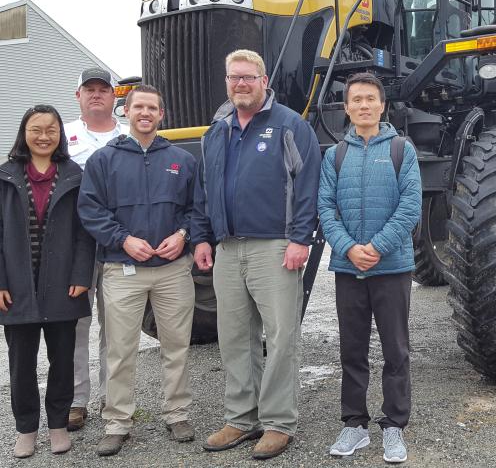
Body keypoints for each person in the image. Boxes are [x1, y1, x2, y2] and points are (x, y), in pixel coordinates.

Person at [192, 49, 320, 460]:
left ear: (264, 80)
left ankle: (279, 422)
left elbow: (307, 186)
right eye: (234, 77)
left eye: (248, 77)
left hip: (275, 247)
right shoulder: (216, 131)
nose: (240, 84)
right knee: (234, 338)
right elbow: (203, 192)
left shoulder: (288, 125)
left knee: (281, 336)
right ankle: (241, 419)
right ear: (226, 82)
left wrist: (301, 238)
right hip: (227, 249)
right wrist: (201, 239)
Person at [77, 85, 199, 457]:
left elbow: (198, 208)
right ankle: (116, 422)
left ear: (162, 115)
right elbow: (91, 210)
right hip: (121, 268)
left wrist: (182, 235)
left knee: (177, 345)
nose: (145, 113)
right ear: (125, 112)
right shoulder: (103, 160)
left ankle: (177, 412)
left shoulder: (182, 159)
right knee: (119, 348)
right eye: (138, 107)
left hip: (173, 269)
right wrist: (123, 239)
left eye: (152, 108)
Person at [317, 72, 421, 464]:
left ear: (382, 106)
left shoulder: (400, 149)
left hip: (391, 267)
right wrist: (348, 248)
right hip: (349, 268)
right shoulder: (335, 155)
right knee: (352, 350)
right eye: (356, 100)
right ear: (346, 108)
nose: (363, 105)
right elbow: (326, 208)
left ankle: (394, 426)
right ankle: (354, 425)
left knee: (396, 350)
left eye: (370, 99)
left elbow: (410, 205)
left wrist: (376, 247)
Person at [0, 105, 95, 458]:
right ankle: (26, 429)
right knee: (21, 364)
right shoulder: (5, 176)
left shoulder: (75, 175)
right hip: (17, 287)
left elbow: (86, 233)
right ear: (24, 133)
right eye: (36, 129)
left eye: (51, 130)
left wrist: (81, 275)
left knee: (63, 361)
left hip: (63, 285)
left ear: (60, 135)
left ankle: (58, 425)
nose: (43, 136)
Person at [64, 67, 128, 432]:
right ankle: (76, 400)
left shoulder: (128, 135)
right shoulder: (63, 136)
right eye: (89, 89)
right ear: (78, 96)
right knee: (76, 323)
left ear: (114, 96)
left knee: (116, 325)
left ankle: (112, 396)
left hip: (118, 241)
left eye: (103, 89)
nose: (96, 94)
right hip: (76, 242)